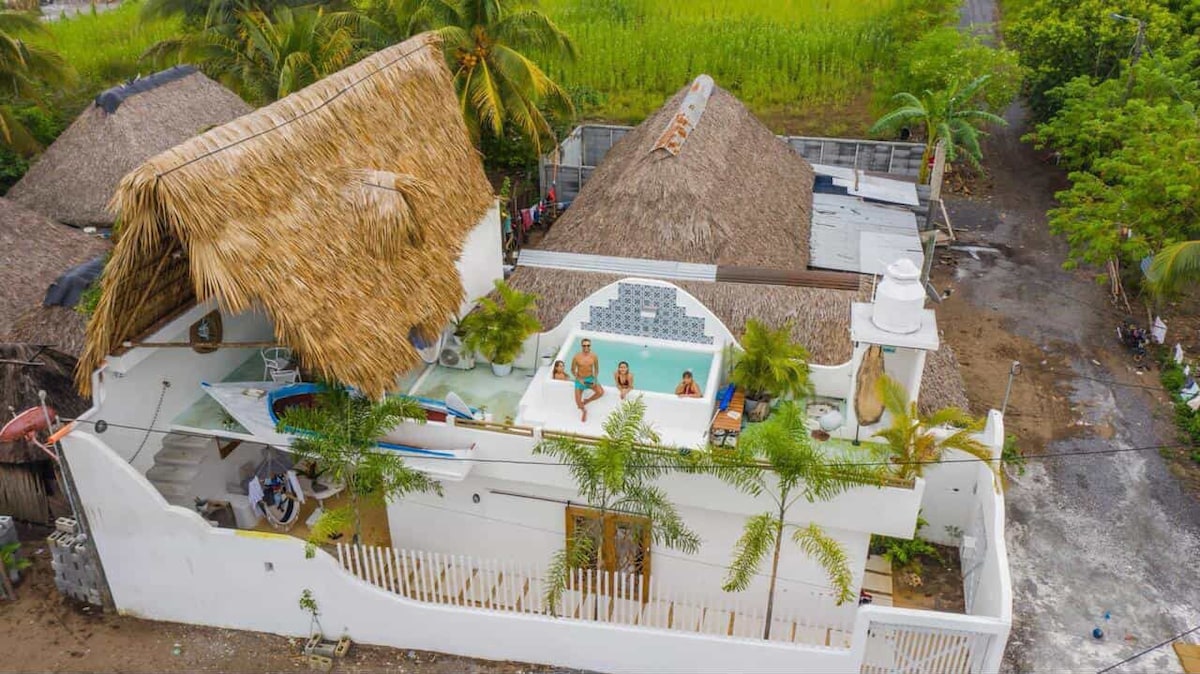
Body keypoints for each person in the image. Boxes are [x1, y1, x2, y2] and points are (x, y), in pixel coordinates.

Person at [571, 338, 604, 421]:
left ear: (590, 346)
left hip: (590, 379)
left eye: (588, 345)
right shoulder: (576, 357)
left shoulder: (594, 356)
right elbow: (572, 370)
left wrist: (595, 379)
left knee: (600, 392)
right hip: (580, 380)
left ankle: (587, 401)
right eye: (584, 345)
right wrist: (579, 379)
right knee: (578, 403)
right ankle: (584, 411)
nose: (586, 347)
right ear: (581, 346)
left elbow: (596, 369)